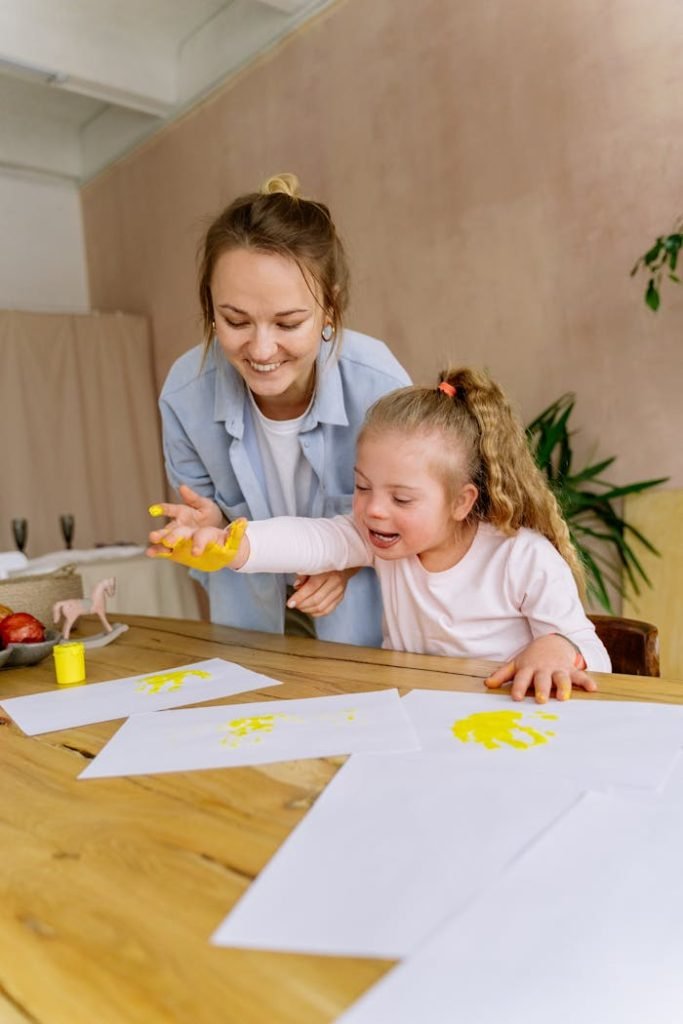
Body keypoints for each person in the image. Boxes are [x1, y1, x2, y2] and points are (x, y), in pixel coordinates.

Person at [148, 367, 611, 702]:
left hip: (505, 726)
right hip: (417, 718)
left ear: (461, 502)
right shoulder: (381, 541)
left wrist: (557, 647)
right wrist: (230, 542)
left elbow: (595, 655)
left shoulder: (521, 557)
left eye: (402, 499)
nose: (373, 510)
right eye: (362, 487)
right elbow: (313, 540)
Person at [154, 173, 410, 645]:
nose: (262, 348)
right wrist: (210, 528)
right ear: (210, 308)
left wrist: (350, 560)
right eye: (235, 321)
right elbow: (210, 520)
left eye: (288, 322)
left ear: (329, 309)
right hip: (250, 629)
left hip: (367, 634)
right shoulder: (185, 394)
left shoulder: (380, 386)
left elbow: (416, 520)